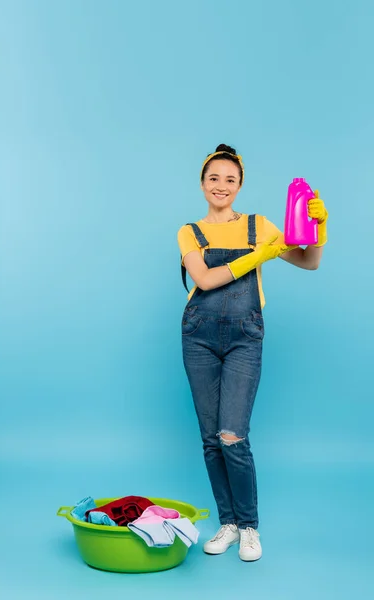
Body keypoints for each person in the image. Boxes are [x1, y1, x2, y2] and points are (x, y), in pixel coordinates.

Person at [177, 143, 328, 562]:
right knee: (211, 440)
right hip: (199, 336)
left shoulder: (259, 226)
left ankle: (249, 527)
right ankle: (227, 522)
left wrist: (319, 230)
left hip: (245, 336)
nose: (221, 185)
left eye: (230, 179)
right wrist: (257, 258)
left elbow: (308, 261)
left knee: (232, 436)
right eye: (213, 178)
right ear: (202, 184)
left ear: (240, 185)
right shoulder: (189, 231)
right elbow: (204, 281)